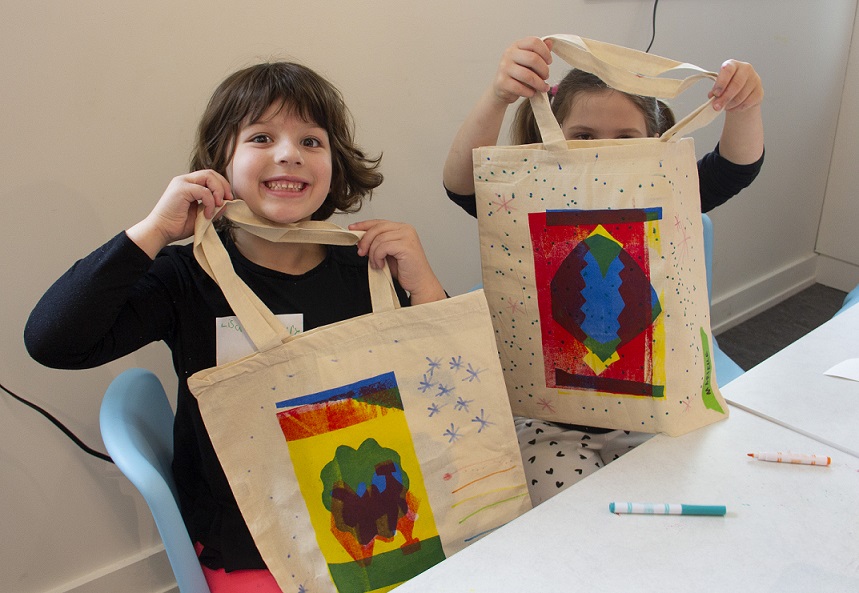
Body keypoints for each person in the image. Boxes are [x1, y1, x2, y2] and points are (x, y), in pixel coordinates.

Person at [25, 61, 446, 592]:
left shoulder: (370, 268)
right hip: (249, 539)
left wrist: (425, 282)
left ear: (335, 166)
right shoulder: (188, 276)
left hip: (379, 520)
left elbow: (448, 385)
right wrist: (154, 231)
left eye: (311, 140)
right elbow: (53, 342)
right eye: (262, 137)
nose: (288, 152)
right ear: (219, 164)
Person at [442, 37, 765, 505]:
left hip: (656, 415)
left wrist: (745, 106)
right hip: (550, 422)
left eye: (625, 139)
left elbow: (737, 166)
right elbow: (460, 184)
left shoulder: (663, 191)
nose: (602, 153)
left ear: (654, 143)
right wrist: (499, 96)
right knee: (568, 518)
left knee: (683, 498)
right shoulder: (531, 196)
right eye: (585, 136)